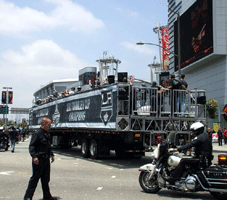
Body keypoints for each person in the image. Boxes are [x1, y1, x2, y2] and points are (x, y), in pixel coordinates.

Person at [24, 118, 58, 200]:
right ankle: (28, 197)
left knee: (46, 179)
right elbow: (32, 146)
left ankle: (47, 196)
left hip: (46, 159)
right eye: (49, 124)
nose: (50, 126)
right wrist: (34, 156)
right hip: (39, 160)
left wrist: (51, 154)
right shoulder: (37, 133)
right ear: (43, 124)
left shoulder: (46, 134)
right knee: (35, 179)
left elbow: (48, 146)